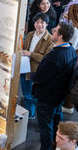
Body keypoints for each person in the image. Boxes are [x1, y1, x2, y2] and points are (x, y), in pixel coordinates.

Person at [31, 22, 77, 150]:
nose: (52, 31)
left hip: (48, 98)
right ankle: (58, 145)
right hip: (59, 96)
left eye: (55, 30)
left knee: (45, 128)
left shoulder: (56, 56)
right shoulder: (71, 50)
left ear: (61, 36)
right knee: (57, 121)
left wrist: (33, 77)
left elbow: (41, 77)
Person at [21, 12, 54, 119]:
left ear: (47, 24)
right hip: (24, 68)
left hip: (37, 71)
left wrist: (31, 54)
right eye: (37, 22)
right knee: (26, 94)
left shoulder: (50, 39)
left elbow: (46, 58)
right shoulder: (30, 34)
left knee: (34, 96)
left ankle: (33, 113)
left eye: (42, 22)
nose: (39, 25)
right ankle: (29, 113)